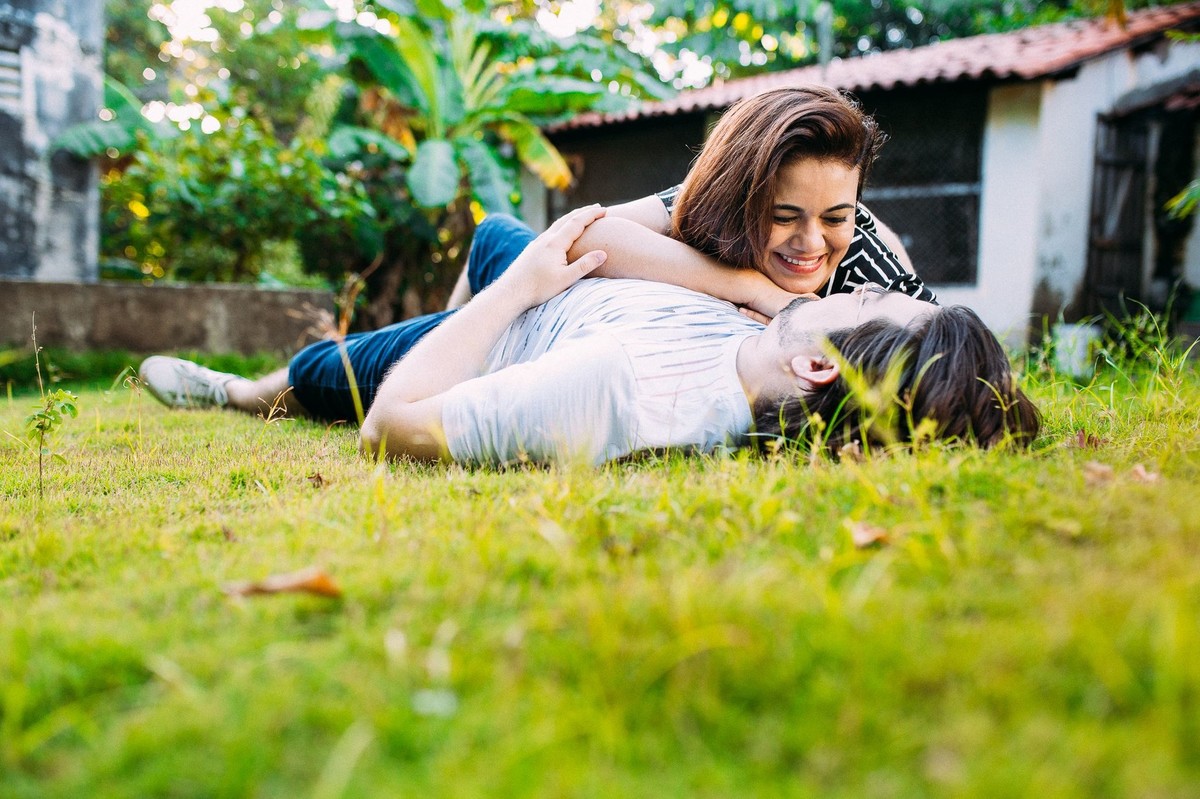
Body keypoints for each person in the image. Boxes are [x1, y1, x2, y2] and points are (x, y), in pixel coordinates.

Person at [140, 207, 1038, 466]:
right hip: (548, 288)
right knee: (495, 231)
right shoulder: (774, 334)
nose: (865, 282)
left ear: (813, 364)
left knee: (312, 376)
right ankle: (459, 318)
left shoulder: (613, 389)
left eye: (868, 302)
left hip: (519, 320)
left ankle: (232, 390)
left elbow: (393, 428)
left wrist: (510, 301)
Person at [445, 85, 936, 322]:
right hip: (539, 292)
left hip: (561, 325)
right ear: (741, 198)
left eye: (837, 216)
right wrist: (747, 287)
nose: (811, 242)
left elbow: (957, 355)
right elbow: (579, 236)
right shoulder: (708, 207)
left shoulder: (870, 271)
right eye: (783, 217)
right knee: (491, 248)